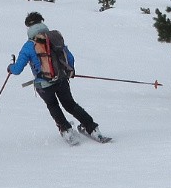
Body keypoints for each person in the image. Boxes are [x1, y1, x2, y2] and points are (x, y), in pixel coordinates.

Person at [8, 12, 106, 142]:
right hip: (61, 79)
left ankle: (66, 130)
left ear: (28, 27)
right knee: (70, 105)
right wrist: (70, 70)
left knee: (53, 105)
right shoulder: (54, 38)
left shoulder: (28, 46)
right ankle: (92, 128)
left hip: (44, 84)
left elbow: (18, 69)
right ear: (42, 22)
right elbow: (69, 57)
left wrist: (10, 68)